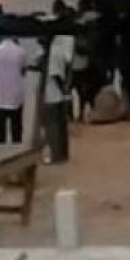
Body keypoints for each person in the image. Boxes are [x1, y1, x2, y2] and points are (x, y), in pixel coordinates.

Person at [42, 30, 74, 163]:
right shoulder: (59, 51)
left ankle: (55, 155)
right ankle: (62, 154)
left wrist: (63, 90)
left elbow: (56, 75)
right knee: (61, 127)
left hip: (52, 95)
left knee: (52, 128)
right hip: (59, 95)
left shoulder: (51, 53)